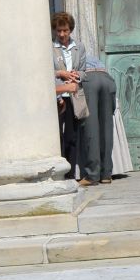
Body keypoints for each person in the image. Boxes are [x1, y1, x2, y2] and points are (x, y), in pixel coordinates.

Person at [52, 12, 86, 181]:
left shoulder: (79, 47)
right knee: (57, 135)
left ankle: (70, 174)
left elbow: (84, 71)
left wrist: (76, 75)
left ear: (70, 30)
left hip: (73, 95)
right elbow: (44, 72)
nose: (62, 34)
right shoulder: (50, 48)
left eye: (65, 30)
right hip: (57, 96)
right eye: (59, 30)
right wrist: (61, 73)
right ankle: (58, 172)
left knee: (71, 137)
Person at [80, 55, 117, 185]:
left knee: (91, 127)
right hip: (107, 78)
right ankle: (106, 174)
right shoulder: (88, 55)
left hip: (89, 79)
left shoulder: (62, 53)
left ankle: (92, 175)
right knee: (107, 128)